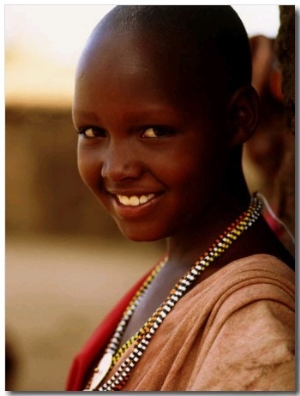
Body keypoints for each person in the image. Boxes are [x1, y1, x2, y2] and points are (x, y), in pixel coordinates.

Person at [66, 6, 295, 391]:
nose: (114, 168)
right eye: (92, 131)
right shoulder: (183, 263)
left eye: (154, 131)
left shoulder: (255, 336)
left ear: (239, 117)